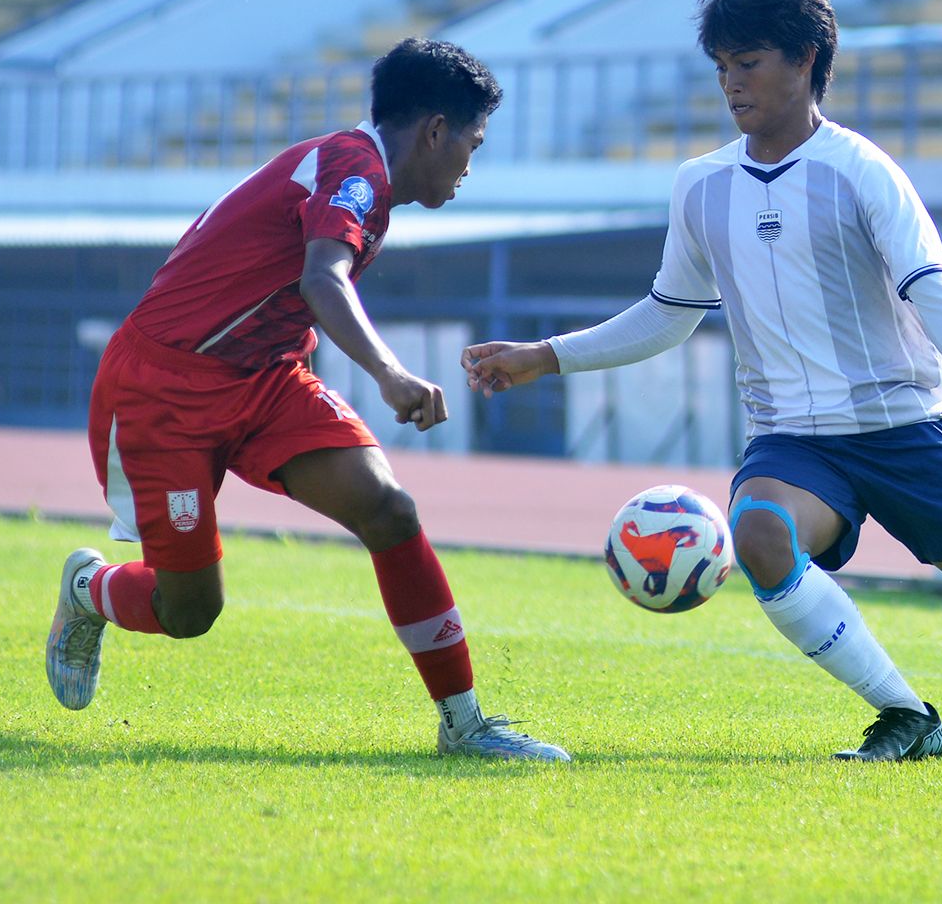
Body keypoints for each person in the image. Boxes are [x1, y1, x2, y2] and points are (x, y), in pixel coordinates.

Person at [462, 0, 942, 761]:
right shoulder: (700, 186)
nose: (731, 84)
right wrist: (545, 356)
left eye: (747, 63)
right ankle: (905, 715)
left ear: (806, 59)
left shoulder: (862, 172)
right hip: (794, 441)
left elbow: (931, 286)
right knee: (758, 532)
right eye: (721, 68)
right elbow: (669, 315)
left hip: (906, 429)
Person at [45, 38, 568, 762]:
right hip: (165, 391)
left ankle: (465, 723)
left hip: (266, 380)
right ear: (435, 132)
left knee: (390, 509)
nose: (470, 166)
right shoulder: (356, 173)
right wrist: (390, 373)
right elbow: (321, 280)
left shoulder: (355, 170)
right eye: (472, 144)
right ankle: (91, 590)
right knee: (189, 610)